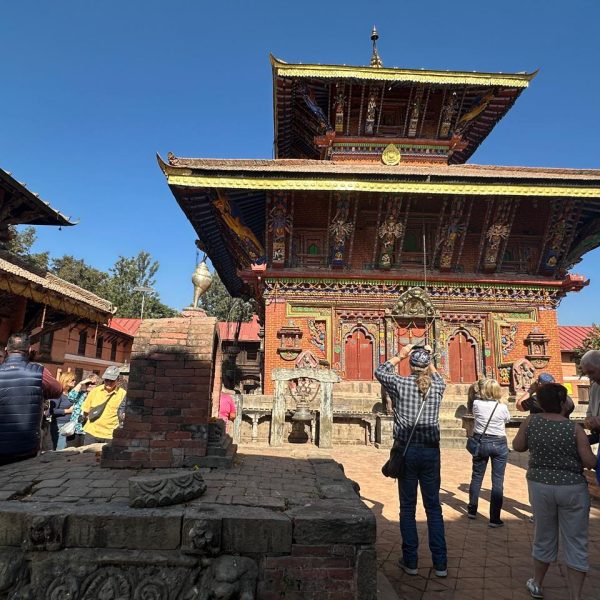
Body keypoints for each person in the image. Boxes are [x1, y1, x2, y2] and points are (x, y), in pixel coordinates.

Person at [513, 383, 596, 600]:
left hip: (540, 486)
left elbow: (518, 446)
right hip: (572, 488)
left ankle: (537, 583)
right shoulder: (574, 428)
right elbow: (588, 461)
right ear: (562, 402)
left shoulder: (532, 422)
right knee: (576, 540)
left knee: (544, 534)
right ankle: (576, 596)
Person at [375, 344, 448, 578]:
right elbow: (436, 375)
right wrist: (429, 356)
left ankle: (411, 560)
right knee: (433, 508)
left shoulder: (401, 384)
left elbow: (380, 371)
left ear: (411, 365)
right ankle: (440, 564)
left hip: (406, 452)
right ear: (427, 366)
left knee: (407, 508)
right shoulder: (438, 385)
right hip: (430, 453)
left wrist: (402, 353)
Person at [0, 332, 62, 465]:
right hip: (26, 446)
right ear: (29, 350)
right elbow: (57, 391)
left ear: (6, 350)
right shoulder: (39, 371)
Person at [466, 378, 511, 527]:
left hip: (481, 441)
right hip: (499, 442)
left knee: (477, 476)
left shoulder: (477, 404)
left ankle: (472, 510)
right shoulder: (503, 407)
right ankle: (494, 518)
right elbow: (507, 420)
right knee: (497, 481)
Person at [81, 365, 126, 444]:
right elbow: (85, 410)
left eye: (111, 380)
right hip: (92, 432)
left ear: (117, 380)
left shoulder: (122, 394)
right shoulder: (95, 391)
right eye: (106, 380)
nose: (108, 383)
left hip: (110, 435)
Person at [65, 374, 100, 448]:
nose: (89, 385)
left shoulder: (99, 396)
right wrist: (81, 383)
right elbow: (71, 397)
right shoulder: (81, 394)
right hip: (75, 429)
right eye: (87, 383)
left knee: (84, 453)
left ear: (97, 385)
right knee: (70, 452)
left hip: (88, 431)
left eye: (93, 383)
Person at [50, 372, 76, 450]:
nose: (74, 381)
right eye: (72, 380)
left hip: (69, 425)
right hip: (59, 425)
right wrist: (68, 411)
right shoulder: (58, 394)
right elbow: (52, 411)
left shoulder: (70, 394)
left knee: (66, 449)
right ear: (66, 381)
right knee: (60, 449)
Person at [580, 350, 600, 444]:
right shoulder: (595, 387)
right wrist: (589, 422)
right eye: (587, 373)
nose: (589, 377)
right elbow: (589, 413)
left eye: (591, 372)